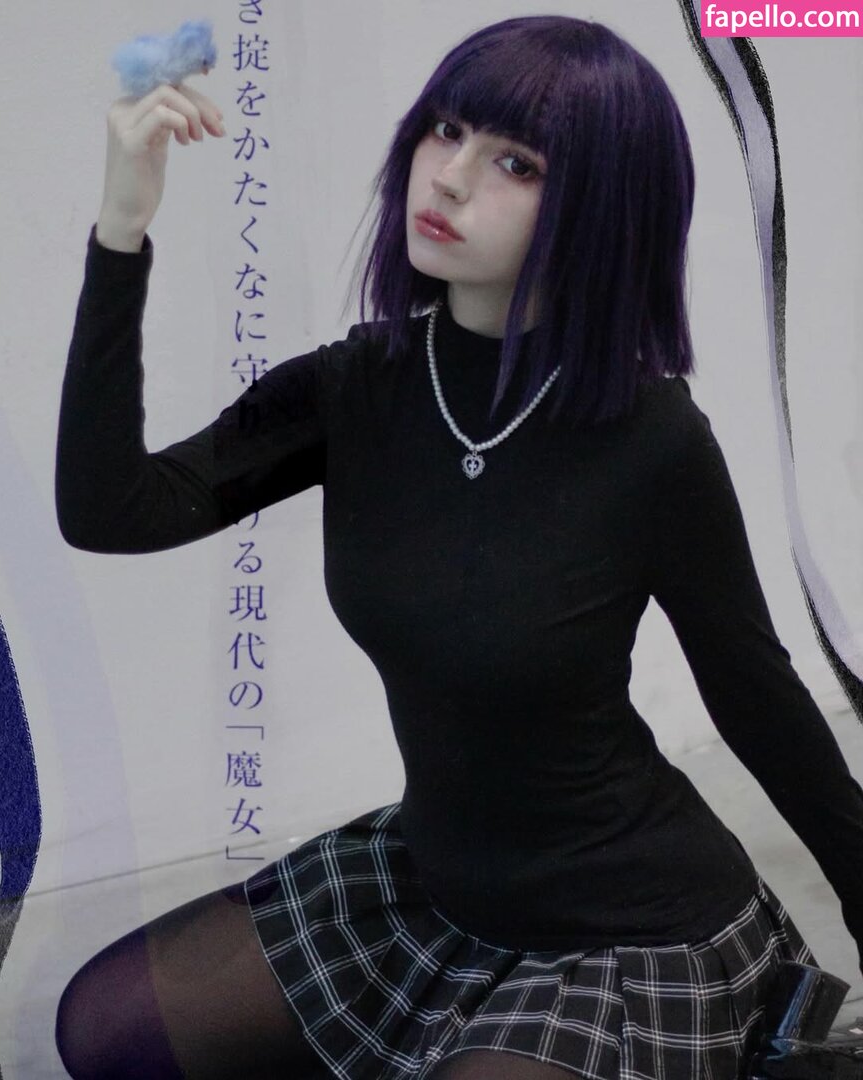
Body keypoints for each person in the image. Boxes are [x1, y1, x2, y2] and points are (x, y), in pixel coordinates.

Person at [53, 13, 863, 1080]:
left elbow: (757, 695)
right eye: (445, 129)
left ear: (600, 205)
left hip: (626, 929)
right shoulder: (359, 387)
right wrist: (121, 230)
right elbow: (112, 513)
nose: (448, 176)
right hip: (433, 886)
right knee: (104, 1029)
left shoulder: (650, 440)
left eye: (516, 162)